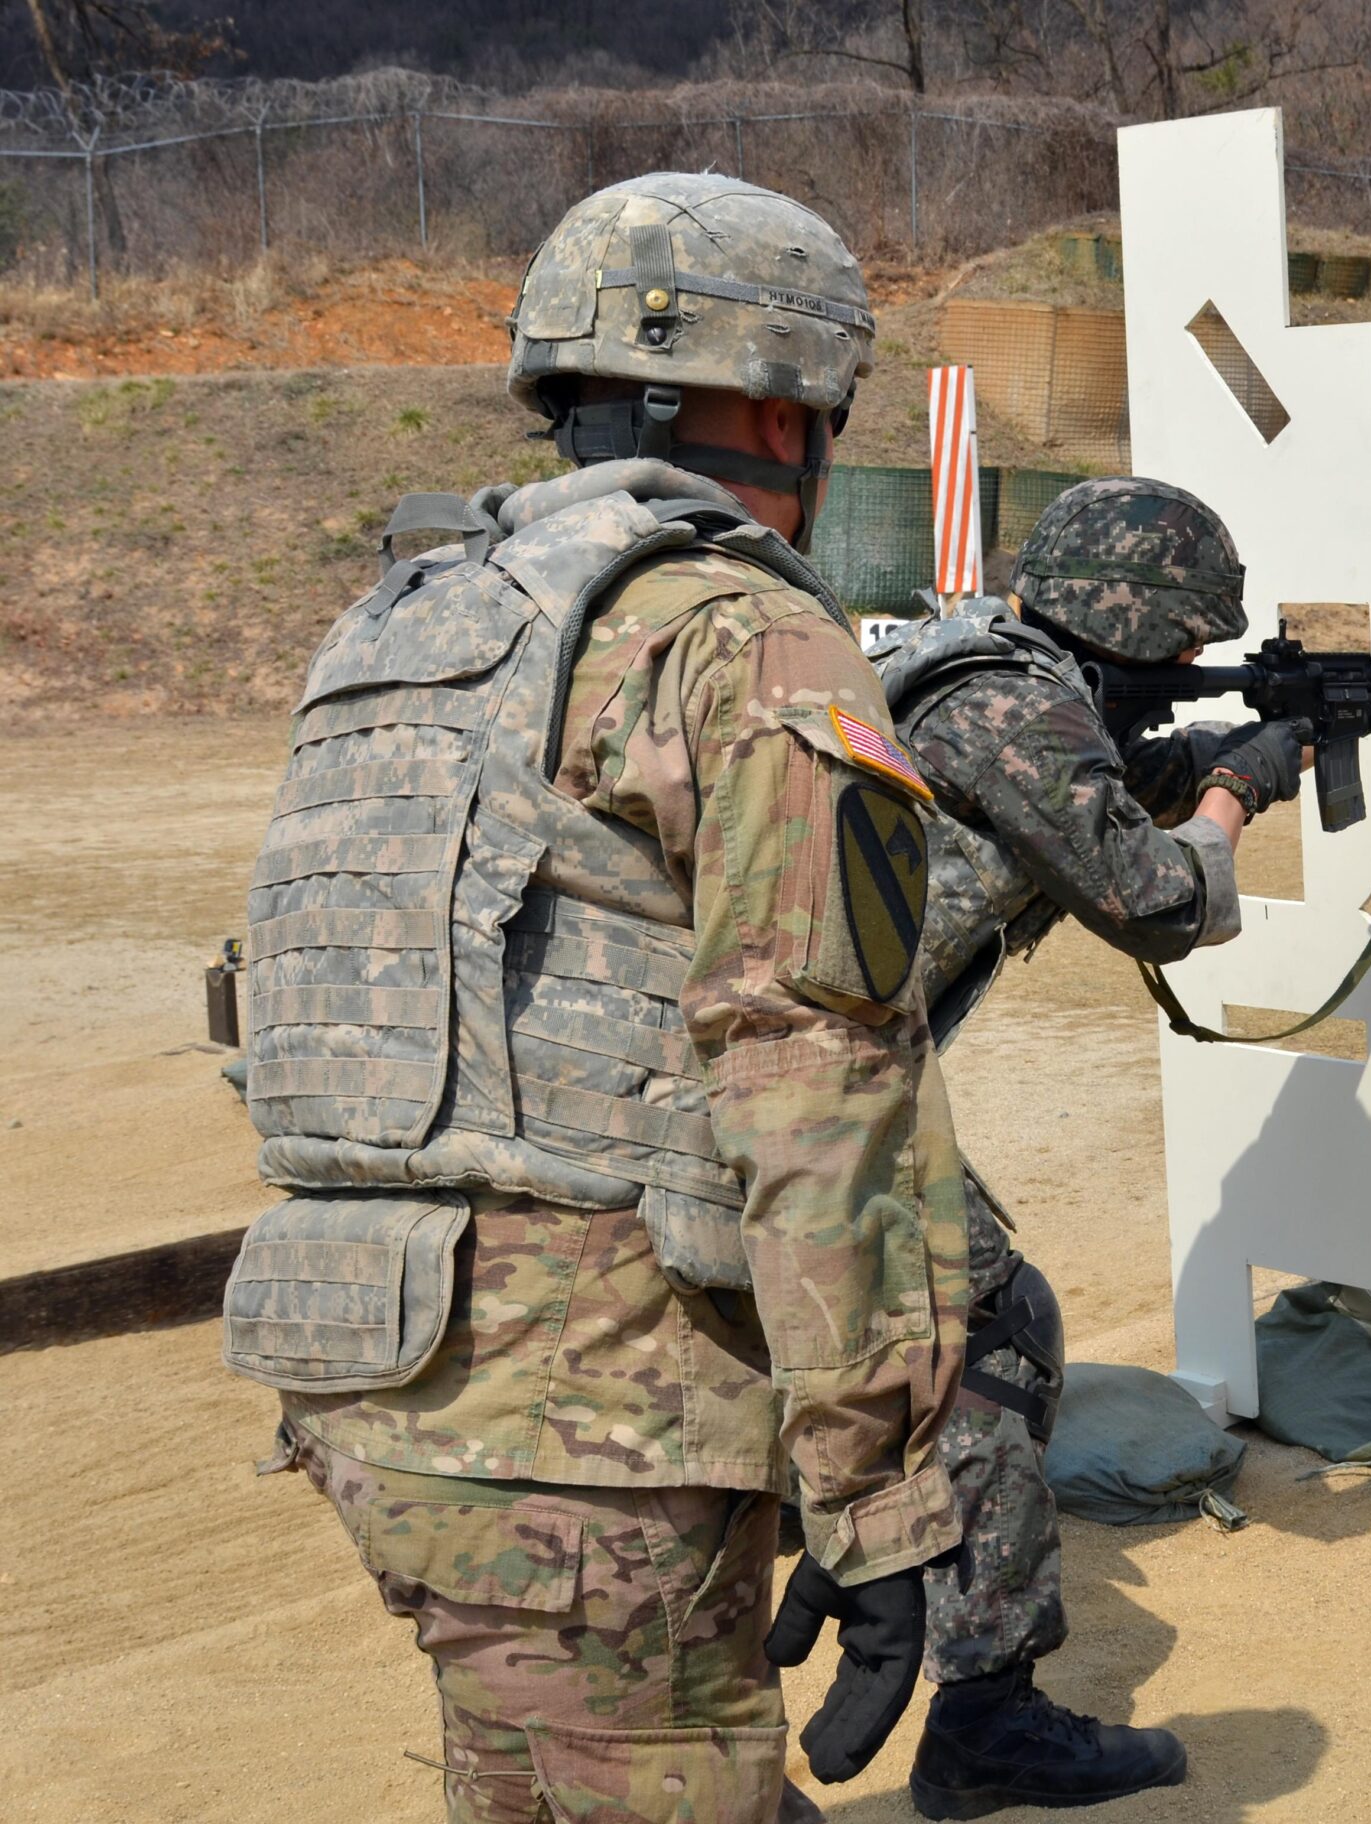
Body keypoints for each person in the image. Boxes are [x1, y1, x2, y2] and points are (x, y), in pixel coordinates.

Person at [222, 173, 971, 1823]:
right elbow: (821, 1078)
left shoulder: (409, 617)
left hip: (369, 1362)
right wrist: (879, 1501)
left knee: (523, 1780)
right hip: (605, 1424)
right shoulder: (739, 637)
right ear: (778, 403)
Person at [867, 476, 1306, 1819]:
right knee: (996, 1337)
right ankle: (987, 1722)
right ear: (1147, 626)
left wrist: (1214, 755)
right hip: (800, 1089)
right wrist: (1238, 788)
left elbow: (1080, 796)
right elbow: (1154, 893)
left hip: (789, 1074)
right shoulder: (1018, 708)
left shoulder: (981, 676)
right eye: (1183, 648)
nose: (1188, 668)